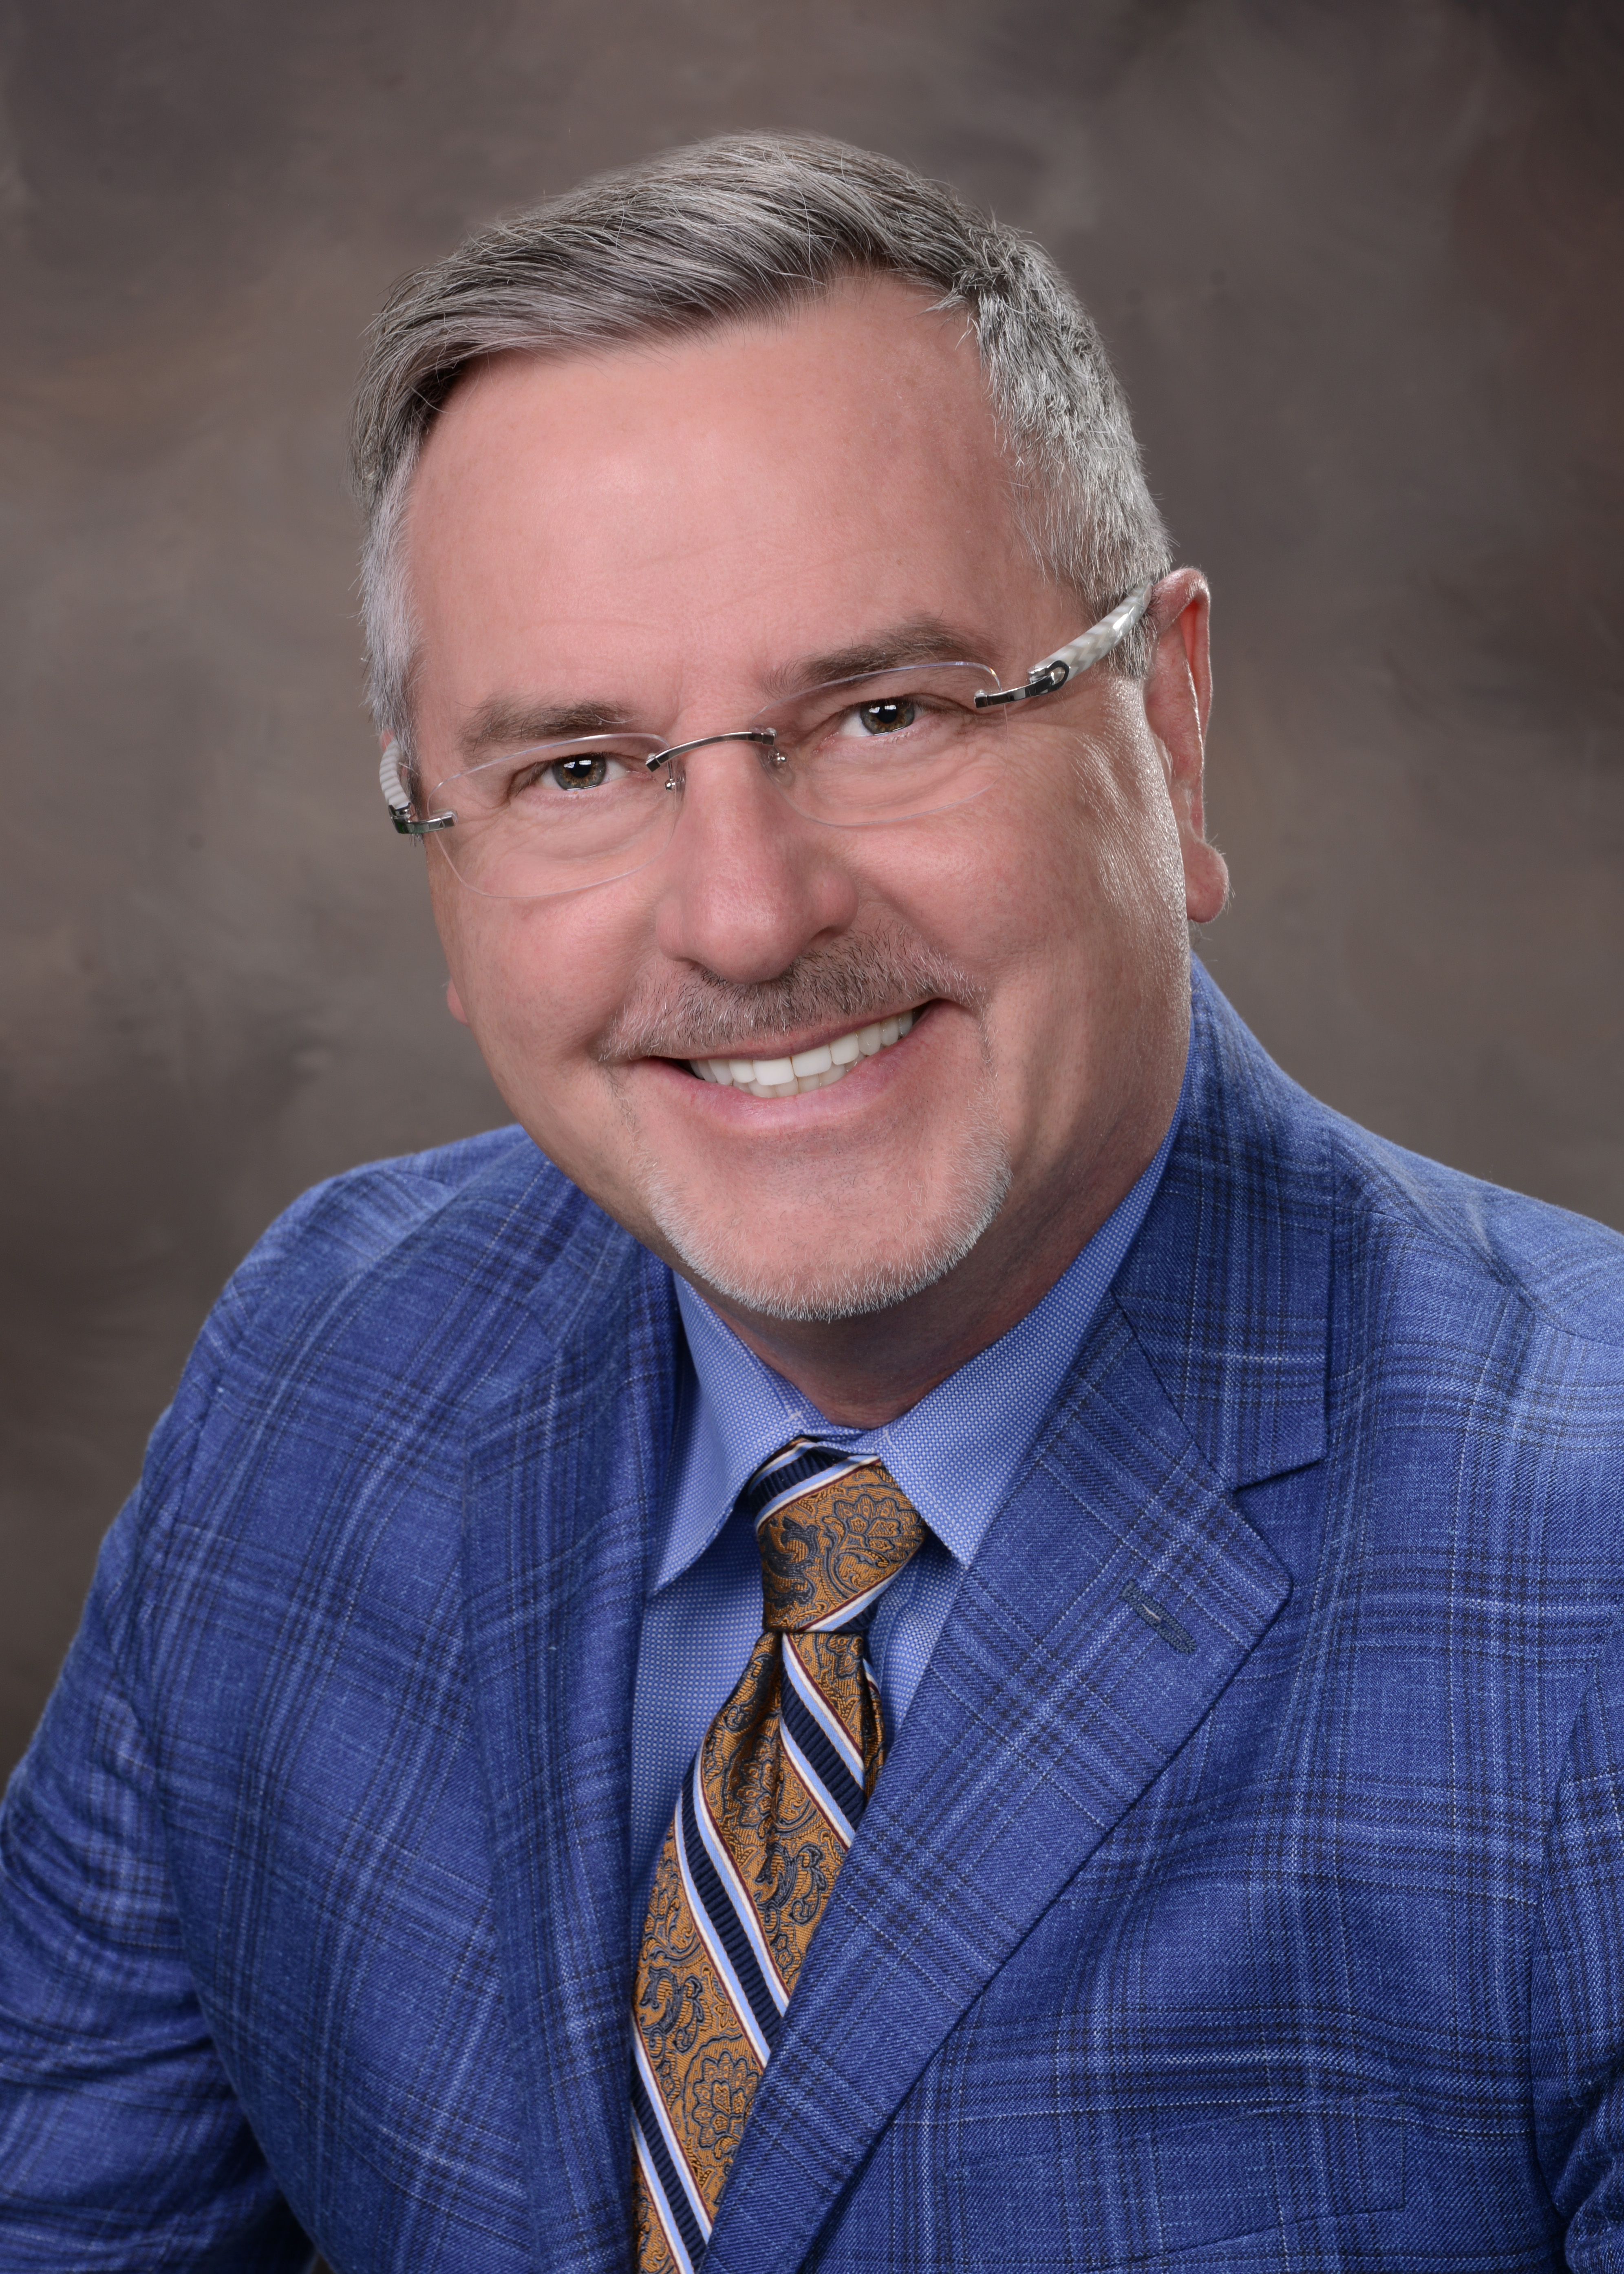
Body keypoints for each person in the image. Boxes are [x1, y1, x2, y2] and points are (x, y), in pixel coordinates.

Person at [2, 130, 1623, 2274]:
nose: (749, 917)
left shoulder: (1584, 1571)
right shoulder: (330, 1358)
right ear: (442, 861)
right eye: (578, 768)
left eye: (882, 712)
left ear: (1169, 727)